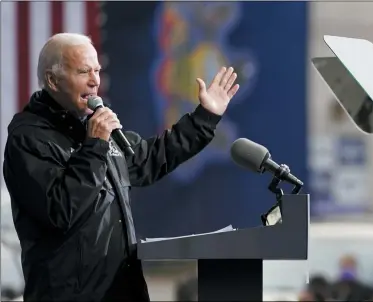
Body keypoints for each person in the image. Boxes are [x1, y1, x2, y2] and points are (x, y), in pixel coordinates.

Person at [2, 32, 240, 302]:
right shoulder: (29, 138)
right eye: (83, 72)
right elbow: (60, 211)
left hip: (123, 292)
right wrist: (94, 146)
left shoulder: (95, 128)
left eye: (97, 70)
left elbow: (152, 157)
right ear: (52, 80)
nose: (94, 81)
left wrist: (205, 117)